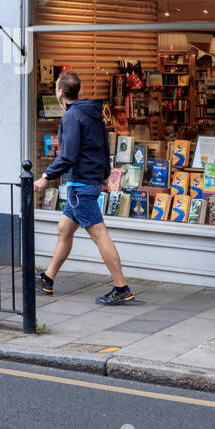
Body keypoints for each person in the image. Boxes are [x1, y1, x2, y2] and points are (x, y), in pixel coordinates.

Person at [33, 70, 134, 305]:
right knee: (64, 230)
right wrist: (105, 175)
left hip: (80, 186)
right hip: (86, 183)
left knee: (100, 235)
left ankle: (121, 287)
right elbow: (104, 147)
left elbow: (67, 156)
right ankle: (48, 279)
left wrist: (45, 177)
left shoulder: (71, 117)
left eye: (56, 87)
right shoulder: (93, 113)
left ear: (60, 92)